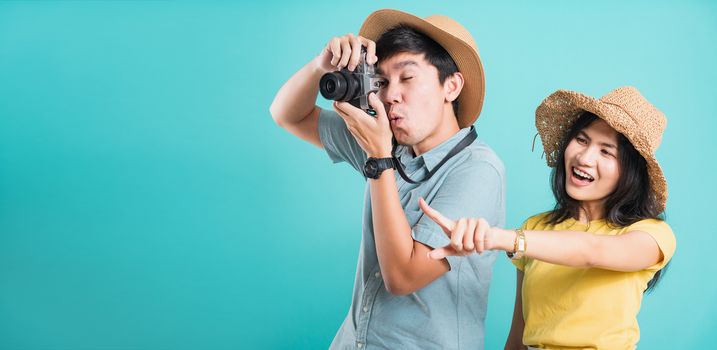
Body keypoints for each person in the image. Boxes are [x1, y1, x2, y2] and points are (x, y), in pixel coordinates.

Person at [270, 9, 505, 350]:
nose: (391, 95)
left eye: (407, 79)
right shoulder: (385, 142)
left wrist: (380, 159)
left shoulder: (479, 169)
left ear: (451, 86)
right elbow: (288, 115)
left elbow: (403, 276)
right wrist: (320, 66)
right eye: (381, 82)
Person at [419, 86, 676, 349]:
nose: (584, 158)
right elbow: (518, 335)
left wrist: (497, 237)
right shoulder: (536, 228)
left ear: (630, 172)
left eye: (606, 151)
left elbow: (592, 250)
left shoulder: (652, 235)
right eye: (582, 140)